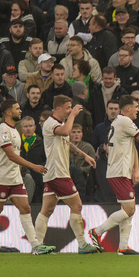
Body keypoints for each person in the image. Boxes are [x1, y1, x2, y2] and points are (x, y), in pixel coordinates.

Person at [0, 99, 55, 256]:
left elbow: (16, 156)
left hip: (15, 178)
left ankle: (35, 246)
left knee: (25, 208)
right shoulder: (2, 130)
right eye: (17, 109)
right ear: (8, 112)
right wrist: (33, 166)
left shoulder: (15, 130)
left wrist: (19, 172)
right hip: (1, 178)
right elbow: (11, 155)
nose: (20, 111)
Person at [33, 95, 98, 254]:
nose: (70, 110)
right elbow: (66, 131)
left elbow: (66, 142)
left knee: (46, 210)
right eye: (68, 108)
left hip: (54, 172)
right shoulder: (50, 123)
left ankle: (37, 246)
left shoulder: (59, 124)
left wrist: (85, 155)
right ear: (59, 108)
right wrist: (74, 114)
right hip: (58, 173)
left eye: (71, 108)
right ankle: (82, 245)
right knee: (77, 206)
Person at [89, 96, 139, 255]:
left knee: (128, 209)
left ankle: (123, 247)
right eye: (136, 107)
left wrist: (136, 169)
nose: (138, 109)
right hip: (119, 171)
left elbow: (133, 147)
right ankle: (97, 231)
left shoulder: (117, 122)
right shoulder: (125, 122)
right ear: (128, 109)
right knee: (129, 209)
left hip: (121, 170)